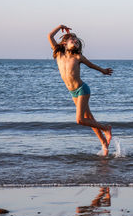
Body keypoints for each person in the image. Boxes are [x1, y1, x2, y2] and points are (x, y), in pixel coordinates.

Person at [48, 25, 113, 156]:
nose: (76, 42)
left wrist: (103, 71)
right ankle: (104, 144)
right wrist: (60, 26)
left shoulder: (78, 58)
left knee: (80, 120)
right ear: (65, 43)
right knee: (89, 119)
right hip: (73, 93)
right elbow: (50, 36)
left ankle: (106, 128)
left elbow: (92, 65)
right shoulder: (59, 54)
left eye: (77, 42)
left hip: (82, 89)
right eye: (74, 40)